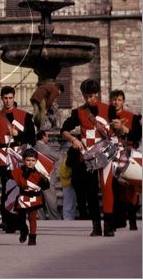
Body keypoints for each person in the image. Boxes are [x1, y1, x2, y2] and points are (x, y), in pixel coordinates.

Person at [61, 79, 117, 237]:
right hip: (88, 157)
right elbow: (64, 130)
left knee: (107, 189)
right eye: (86, 96)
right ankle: (96, 227)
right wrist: (74, 140)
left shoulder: (109, 109)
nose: (88, 100)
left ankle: (109, 226)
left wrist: (119, 127)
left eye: (91, 96)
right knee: (91, 192)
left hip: (106, 155)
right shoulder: (78, 112)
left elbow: (118, 131)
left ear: (97, 94)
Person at [0, 85, 35, 233]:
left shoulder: (25, 116)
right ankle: (7, 221)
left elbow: (32, 139)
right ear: (1, 99)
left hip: (19, 156)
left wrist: (18, 135)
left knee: (20, 188)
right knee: (6, 189)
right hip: (3, 156)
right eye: (5, 98)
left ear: (13, 98)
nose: (8, 101)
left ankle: (19, 220)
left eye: (10, 98)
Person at [110, 89, 142, 231]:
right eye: (114, 99)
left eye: (119, 100)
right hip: (112, 156)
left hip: (127, 156)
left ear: (123, 101)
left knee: (130, 189)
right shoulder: (106, 116)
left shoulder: (132, 117)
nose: (116, 102)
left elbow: (137, 137)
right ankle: (119, 221)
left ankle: (133, 221)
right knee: (114, 188)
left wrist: (124, 129)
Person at [8, 148, 50, 245]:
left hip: (35, 198)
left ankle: (32, 237)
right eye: (28, 160)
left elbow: (46, 187)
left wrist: (44, 179)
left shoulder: (40, 172)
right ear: (23, 160)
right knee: (20, 219)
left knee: (32, 218)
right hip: (23, 197)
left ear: (36, 161)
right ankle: (24, 231)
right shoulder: (19, 171)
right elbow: (8, 174)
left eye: (33, 160)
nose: (30, 163)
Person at [35, 130, 60, 220]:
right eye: (47, 136)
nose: (48, 138)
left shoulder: (34, 146)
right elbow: (57, 156)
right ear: (43, 137)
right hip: (47, 177)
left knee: (39, 202)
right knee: (51, 201)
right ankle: (55, 219)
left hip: (37, 177)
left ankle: (41, 219)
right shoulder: (44, 147)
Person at [59, 147, 77, 220]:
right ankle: (68, 219)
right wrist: (71, 173)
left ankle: (70, 218)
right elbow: (63, 173)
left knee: (71, 203)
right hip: (67, 184)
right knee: (69, 203)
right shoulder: (67, 160)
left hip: (67, 184)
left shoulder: (66, 159)